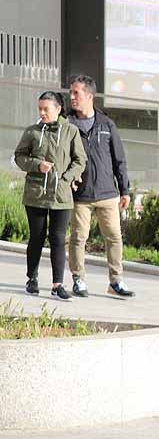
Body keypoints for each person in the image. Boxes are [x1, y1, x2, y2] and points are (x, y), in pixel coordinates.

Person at [66, 74, 135, 298]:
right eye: (71, 93)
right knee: (78, 238)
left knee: (114, 237)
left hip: (107, 193)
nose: (72, 97)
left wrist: (125, 189)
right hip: (80, 194)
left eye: (76, 93)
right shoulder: (67, 124)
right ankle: (78, 280)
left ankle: (116, 282)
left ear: (89, 96)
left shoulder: (107, 124)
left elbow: (119, 159)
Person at [14, 91, 87, 300]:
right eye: (40, 109)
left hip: (61, 196)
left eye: (46, 108)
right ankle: (32, 279)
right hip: (35, 194)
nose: (42, 112)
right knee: (36, 237)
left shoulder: (71, 132)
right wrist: (38, 165)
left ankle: (57, 285)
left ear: (58, 109)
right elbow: (19, 157)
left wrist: (65, 179)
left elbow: (80, 160)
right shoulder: (32, 132)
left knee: (57, 238)